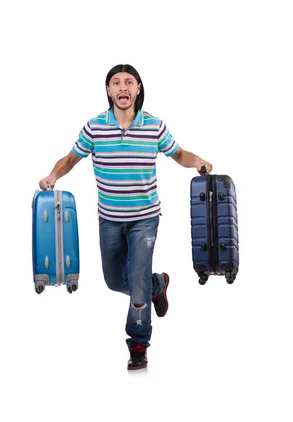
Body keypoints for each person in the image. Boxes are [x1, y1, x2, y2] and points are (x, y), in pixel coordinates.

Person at [39, 64, 213, 371]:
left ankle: (138, 343)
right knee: (113, 280)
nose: (123, 87)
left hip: (145, 218)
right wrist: (53, 176)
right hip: (109, 218)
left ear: (138, 89)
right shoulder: (95, 127)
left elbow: (179, 154)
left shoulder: (154, 126)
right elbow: (70, 159)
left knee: (135, 280)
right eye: (116, 82)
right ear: (108, 90)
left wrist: (196, 160)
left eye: (129, 82)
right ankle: (157, 285)